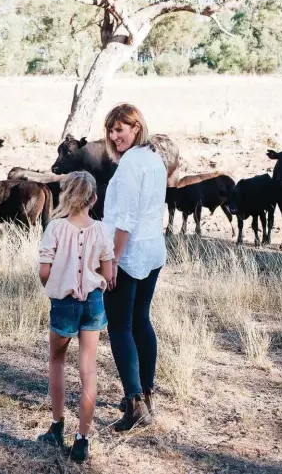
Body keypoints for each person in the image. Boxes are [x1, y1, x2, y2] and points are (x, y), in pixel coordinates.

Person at [37, 170, 114, 463]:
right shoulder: (102, 230)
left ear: (65, 196)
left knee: (57, 361)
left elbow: (45, 272)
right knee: (88, 369)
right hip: (93, 303)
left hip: (63, 303)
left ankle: (56, 427)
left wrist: (55, 286)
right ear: (94, 198)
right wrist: (98, 282)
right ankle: (82, 440)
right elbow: (107, 273)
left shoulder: (55, 228)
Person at [102, 102, 167, 431]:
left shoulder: (130, 164)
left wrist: (112, 259)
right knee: (141, 320)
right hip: (153, 249)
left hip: (128, 254)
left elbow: (124, 219)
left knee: (119, 326)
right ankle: (147, 396)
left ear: (136, 128)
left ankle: (134, 402)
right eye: (111, 131)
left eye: (120, 129)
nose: (114, 137)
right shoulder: (155, 158)